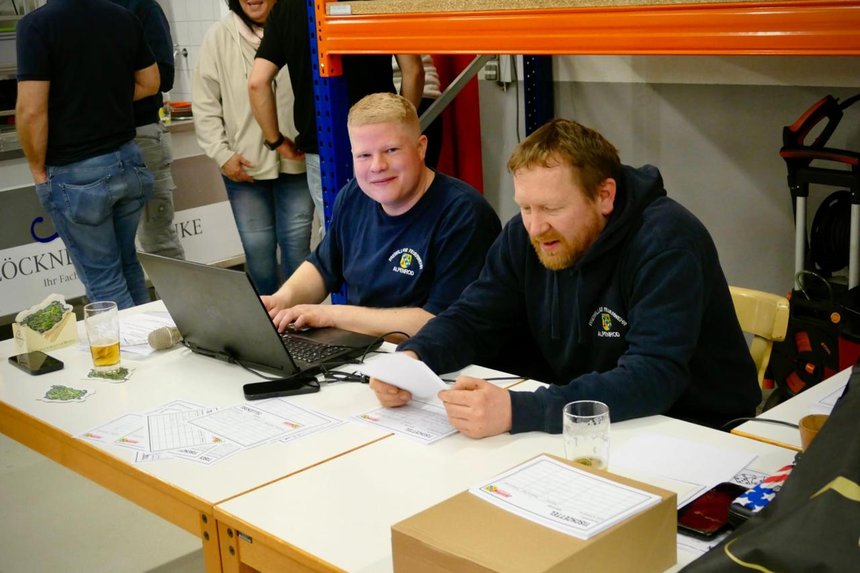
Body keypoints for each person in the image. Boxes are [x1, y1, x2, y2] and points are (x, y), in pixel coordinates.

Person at [372, 118, 761, 437]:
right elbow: (475, 317)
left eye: (552, 208)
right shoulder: (523, 235)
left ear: (604, 195)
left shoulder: (666, 242)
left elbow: (654, 375)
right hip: (591, 418)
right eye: (525, 207)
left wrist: (519, 410)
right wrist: (414, 358)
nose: (536, 227)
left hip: (694, 429)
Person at [262, 92, 501, 339]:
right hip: (365, 348)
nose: (377, 166)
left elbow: (443, 323)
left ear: (421, 148)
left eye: (391, 150)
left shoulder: (463, 215)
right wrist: (281, 300)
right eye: (364, 155)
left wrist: (332, 315)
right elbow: (323, 267)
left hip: (432, 356)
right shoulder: (353, 196)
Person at [16, 0, 159, 309]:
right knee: (127, 265)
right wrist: (104, 98)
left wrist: (37, 170)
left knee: (104, 280)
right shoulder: (123, 17)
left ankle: (128, 341)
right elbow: (151, 83)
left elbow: (30, 112)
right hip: (128, 162)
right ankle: (146, 337)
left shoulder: (36, 25)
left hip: (76, 174)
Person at [248, 0, 423, 232]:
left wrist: (276, 140)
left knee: (337, 235)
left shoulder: (287, 7)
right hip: (382, 142)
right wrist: (402, 129)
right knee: (395, 231)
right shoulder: (381, 1)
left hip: (323, 151)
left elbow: (257, 83)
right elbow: (413, 71)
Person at [193, 0, 314, 295]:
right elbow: (205, 104)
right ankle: (264, 317)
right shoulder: (218, 36)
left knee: (298, 250)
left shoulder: (297, 25)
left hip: (297, 162)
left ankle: (298, 318)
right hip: (245, 166)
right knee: (258, 254)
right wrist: (222, 155)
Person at [111, 0, 186, 260]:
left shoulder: (142, 7)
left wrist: (102, 95)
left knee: (158, 241)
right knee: (112, 251)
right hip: (96, 142)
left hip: (141, 136)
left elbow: (164, 75)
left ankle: (175, 290)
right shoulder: (79, 11)